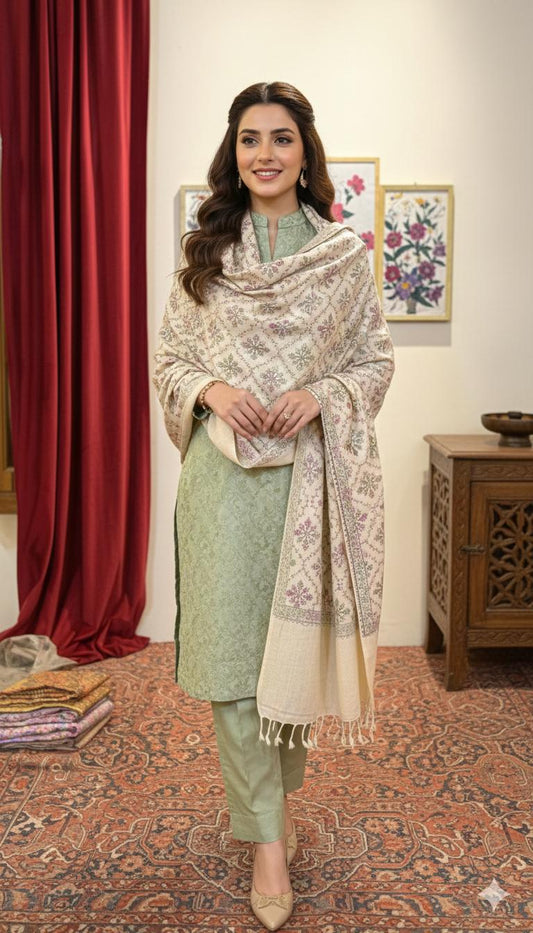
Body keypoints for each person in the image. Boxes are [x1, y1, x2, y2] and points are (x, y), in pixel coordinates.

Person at [154, 81, 394, 931]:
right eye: (250, 138)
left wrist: (322, 393)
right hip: (221, 484)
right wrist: (211, 385)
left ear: (304, 150)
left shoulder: (337, 256)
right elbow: (169, 361)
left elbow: (373, 362)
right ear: (233, 150)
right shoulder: (205, 255)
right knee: (228, 666)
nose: (265, 153)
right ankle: (265, 840)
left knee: (279, 665)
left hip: (305, 482)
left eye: (281, 138)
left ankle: (271, 812)